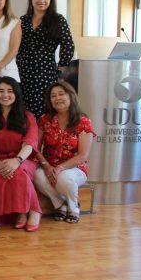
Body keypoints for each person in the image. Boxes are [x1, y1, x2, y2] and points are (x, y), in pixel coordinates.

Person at [0, 77, 41, 230]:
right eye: (1, 91)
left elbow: (31, 142)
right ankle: (15, 213)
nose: (5, 95)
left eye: (10, 91)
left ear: (17, 94)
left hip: (23, 158)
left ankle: (30, 211)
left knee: (19, 172)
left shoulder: (27, 116)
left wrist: (17, 160)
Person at [35, 81, 95, 224]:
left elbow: (83, 156)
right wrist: (46, 166)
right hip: (48, 165)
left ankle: (73, 207)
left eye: (61, 94)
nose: (57, 98)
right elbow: (36, 148)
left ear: (70, 96)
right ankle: (60, 205)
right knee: (36, 175)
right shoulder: (45, 120)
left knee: (65, 178)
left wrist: (61, 167)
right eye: (53, 96)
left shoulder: (83, 121)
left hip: (74, 167)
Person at [16, 0, 75, 117]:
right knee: (24, 113)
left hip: (45, 73)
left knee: (45, 112)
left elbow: (68, 45)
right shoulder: (23, 20)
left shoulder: (58, 20)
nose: (41, 0)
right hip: (22, 73)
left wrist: (60, 69)